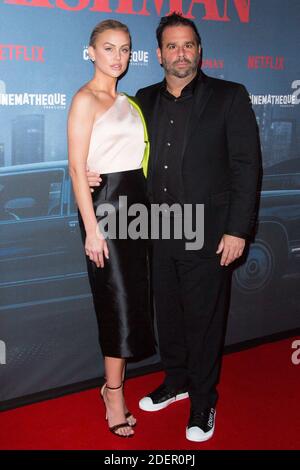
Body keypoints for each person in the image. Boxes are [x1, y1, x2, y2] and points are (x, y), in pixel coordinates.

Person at [87, 13, 260, 442]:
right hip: (155, 228)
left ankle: (203, 401)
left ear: (199, 50)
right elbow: (116, 149)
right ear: (159, 53)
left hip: (207, 229)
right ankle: (177, 380)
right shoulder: (141, 99)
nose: (180, 53)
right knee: (168, 315)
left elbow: (246, 167)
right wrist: (92, 173)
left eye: (188, 45)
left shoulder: (230, 96)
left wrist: (238, 230)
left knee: (203, 319)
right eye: (171, 46)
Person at [68, 19, 155, 438]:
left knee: (134, 299)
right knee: (116, 303)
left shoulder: (131, 101)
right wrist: (91, 228)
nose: (117, 57)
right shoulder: (84, 100)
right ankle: (113, 393)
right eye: (108, 48)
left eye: (124, 49)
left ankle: (114, 386)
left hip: (137, 208)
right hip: (106, 212)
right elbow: (75, 166)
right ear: (91, 52)